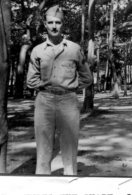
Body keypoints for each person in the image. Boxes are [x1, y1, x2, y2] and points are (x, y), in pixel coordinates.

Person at [27, 5, 93, 175]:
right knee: (43, 148)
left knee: (70, 148)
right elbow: (31, 80)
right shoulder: (37, 51)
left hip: (68, 101)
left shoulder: (74, 49)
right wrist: (46, 87)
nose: (54, 26)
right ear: (45, 24)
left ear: (63, 24)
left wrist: (69, 88)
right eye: (50, 22)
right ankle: (42, 185)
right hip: (44, 101)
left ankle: (69, 183)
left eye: (58, 22)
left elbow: (87, 77)